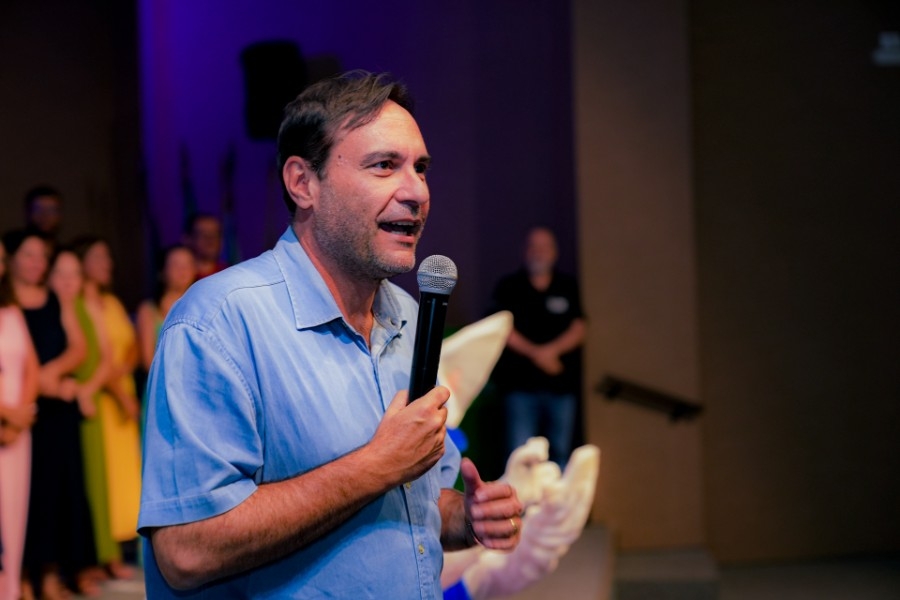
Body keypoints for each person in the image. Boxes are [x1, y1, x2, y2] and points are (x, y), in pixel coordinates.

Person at [139, 70, 523, 598]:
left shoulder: (410, 317)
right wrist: (375, 466)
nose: (416, 191)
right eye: (384, 165)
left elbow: (416, 503)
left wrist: (468, 516)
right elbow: (186, 551)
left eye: (420, 168)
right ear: (303, 183)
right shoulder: (218, 322)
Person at [3, 229, 96, 600]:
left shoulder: (55, 298)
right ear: (10, 259)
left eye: (42, 255)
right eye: (28, 254)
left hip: (53, 411)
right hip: (21, 410)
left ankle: (49, 572)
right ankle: (20, 575)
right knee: (22, 495)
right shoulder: (7, 304)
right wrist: (45, 386)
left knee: (56, 492)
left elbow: (78, 348)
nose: (37, 262)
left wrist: (48, 375)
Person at [72, 235, 142, 576]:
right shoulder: (80, 305)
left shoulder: (111, 302)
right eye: (98, 257)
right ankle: (106, 555)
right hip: (104, 397)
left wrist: (125, 372)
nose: (107, 264)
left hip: (121, 391)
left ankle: (121, 549)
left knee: (127, 476)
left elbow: (130, 346)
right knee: (106, 477)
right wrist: (119, 392)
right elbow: (98, 356)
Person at [489, 227, 586, 467]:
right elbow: (502, 327)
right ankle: (520, 494)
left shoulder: (567, 286)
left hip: (561, 386)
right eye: (534, 246)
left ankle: (556, 494)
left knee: (560, 451)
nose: (539, 252)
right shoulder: (510, 286)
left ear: (554, 252)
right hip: (520, 386)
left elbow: (579, 327)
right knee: (520, 452)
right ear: (525, 251)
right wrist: (538, 354)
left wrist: (552, 352)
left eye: (545, 247)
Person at [0, 236, 40, 600]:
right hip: (4, 422)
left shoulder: (11, 310)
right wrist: (6, 414)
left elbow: (31, 367)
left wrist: (21, 416)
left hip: (17, 431)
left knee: (13, 518)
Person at [135, 244, 196, 373]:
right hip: (161, 380)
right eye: (175, 265)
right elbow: (147, 360)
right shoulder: (148, 310)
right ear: (162, 271)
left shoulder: (200, 306)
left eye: (188, 264)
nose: (183, 270)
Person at [182, 213, 227, 279]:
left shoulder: (229, 274)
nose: (211, 239)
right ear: (187, 239)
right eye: (203, 234)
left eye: (216, 234)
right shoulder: (181, 277)